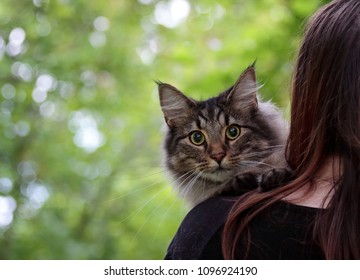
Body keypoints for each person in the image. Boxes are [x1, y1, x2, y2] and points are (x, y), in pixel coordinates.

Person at [165, 0, 360, 260]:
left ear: (308, 95)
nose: (217, 152)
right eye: (198, 138)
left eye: (232, 132)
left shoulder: (213, 231)